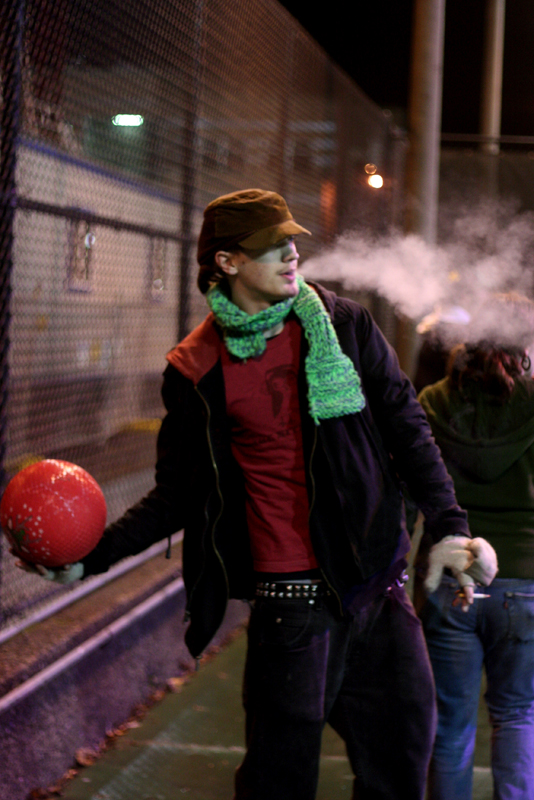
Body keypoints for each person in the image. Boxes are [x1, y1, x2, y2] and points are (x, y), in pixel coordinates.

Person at [17, 189, 497, 800]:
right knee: (278, 784)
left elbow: (407, 427)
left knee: (401, 767)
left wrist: (451, 525)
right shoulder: (196, 369)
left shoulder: (342, 325)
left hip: (378, 589)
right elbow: (177, 495)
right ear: (227, 261)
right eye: (273, 246)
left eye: (292, 241)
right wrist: (92, 559)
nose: (292, 254)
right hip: (292, 607)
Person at [418, 292, 534, 800]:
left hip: (451, 578)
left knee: (449, 724)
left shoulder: (435, 400)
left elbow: (412, 485)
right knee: (518, 713)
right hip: (526, 582)